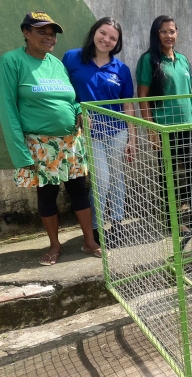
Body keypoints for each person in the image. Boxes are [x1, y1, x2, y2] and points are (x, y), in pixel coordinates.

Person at [0, 12, 101, 265]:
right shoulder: (12, 62)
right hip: (40, 144)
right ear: (26, 32)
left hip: (70, 142)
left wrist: (79, 111)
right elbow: (8, 109)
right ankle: (55, 246)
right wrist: (20, 153)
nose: (49, 36)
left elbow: (71, 98)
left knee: (80, 191)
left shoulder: (56, 63)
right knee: (47, 194)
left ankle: (89, 241)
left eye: (52, 32)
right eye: (41, 31)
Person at [62, 17, 135, 246]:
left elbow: (127, 105)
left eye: (113, 38)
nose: (107, 40)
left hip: (117, 130)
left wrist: (131, 137)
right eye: (103, 33)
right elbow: (64, 92)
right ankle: (95, 227)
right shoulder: (72, 58)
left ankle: (117, 222)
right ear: (94, 32)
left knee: (117, 177)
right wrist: (78, 111)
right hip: (89, 132)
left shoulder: (121, 69)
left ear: (117, 42)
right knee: (101, 179)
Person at [136, 15, 192, 232]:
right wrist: (152, 130)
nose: (169, 35)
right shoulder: (148, 60)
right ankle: (172, 222)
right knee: (169, 175)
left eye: (172, 31)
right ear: (156, 33)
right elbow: (143, 97)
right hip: (165, 129)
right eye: (164, 31)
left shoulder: (183, 60)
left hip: (188, 126)